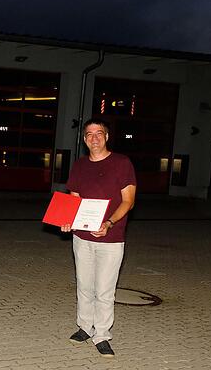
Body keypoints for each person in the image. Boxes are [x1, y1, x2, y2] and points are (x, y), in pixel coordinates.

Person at [61, 118, 136, 357]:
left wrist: (109, 223)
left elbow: (128, 200)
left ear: (106, 137)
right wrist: (67, 219)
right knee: (84, 286)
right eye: (89, 134)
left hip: (111, 239)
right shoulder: (80, 165)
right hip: (82, 237)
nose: (94, 138)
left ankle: (102, 335)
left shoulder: (122, 163)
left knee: (104, 290)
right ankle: (84, 327)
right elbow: (74, 199)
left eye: (99, 133)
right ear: (84, 140)